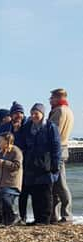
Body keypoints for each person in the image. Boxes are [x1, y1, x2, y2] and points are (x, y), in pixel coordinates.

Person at [15, 103, 61, 225]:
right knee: (35, 192)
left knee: (45, 193)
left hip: (46, 164)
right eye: (32, 113)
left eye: (36, 113)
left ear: (42, 114)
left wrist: (55, 165)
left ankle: (45, 219)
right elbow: (21, 142)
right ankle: (37, 219)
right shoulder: (27, 126)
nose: (34, 116)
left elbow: (56, 147)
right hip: (31, 164)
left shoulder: (50, 127)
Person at [0, 102, 26, 222]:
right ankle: (3, 218)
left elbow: (16, 158)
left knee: (8, 197)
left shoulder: (15, 131)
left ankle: (13, 217)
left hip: (8, 173)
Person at [48, 88, 74, 224]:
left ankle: (66, 214)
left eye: (51, 98)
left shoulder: (59, 111)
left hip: (58, 149)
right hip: (63, 148)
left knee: (60, 183)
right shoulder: (68, 110)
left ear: (57, 97)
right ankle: (55, 215)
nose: (50, 100)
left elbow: (53, 131)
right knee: (56, 184)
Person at [0, 132, 23, 225]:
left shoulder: (16, 151)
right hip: (2, 182)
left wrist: (4, 162)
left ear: (7, 141)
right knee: (4, 202)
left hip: (12, 182)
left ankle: (15, 216)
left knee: (7, 200)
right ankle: (8, 221)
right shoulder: (1, 152)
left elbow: (17, 165)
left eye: (0, 141)